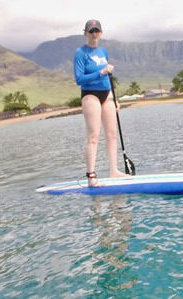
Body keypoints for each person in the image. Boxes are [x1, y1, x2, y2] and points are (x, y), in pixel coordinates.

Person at [75, 19, 130, 187]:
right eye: (91, 31)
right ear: (85, 33)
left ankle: (114, 171)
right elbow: (79, 79)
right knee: (93, 136)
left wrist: (115, 99)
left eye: (96, 31)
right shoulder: (80, 53)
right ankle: (91, 177)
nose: (94, 34)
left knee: (112, 135)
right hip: (90, 95)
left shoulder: (103, 52)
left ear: (101, 33)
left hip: (107, 95)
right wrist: (101, 72)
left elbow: (108, 79)